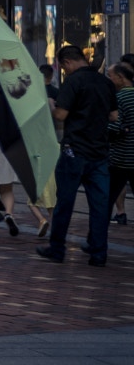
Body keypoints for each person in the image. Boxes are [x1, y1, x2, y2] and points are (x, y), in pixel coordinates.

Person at [37, 45, 117, 267]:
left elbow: (61, 115)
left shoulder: (73, 82)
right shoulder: (106, 82)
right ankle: (99, 253)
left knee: (65, 202)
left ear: (66, 63)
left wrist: (53, 106)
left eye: (63, 68)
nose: (64, 71)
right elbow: (113, 116)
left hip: (75, 150)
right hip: (100, 152)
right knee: (100, 206)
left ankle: (57, 249)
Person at [107, 61, 134, 226]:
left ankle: (97, 238)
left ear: (120, 77)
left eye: (110, 76)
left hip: (121, 158)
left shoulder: (118, 98)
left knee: (107, 197)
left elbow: (114, 127)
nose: (109, 80)